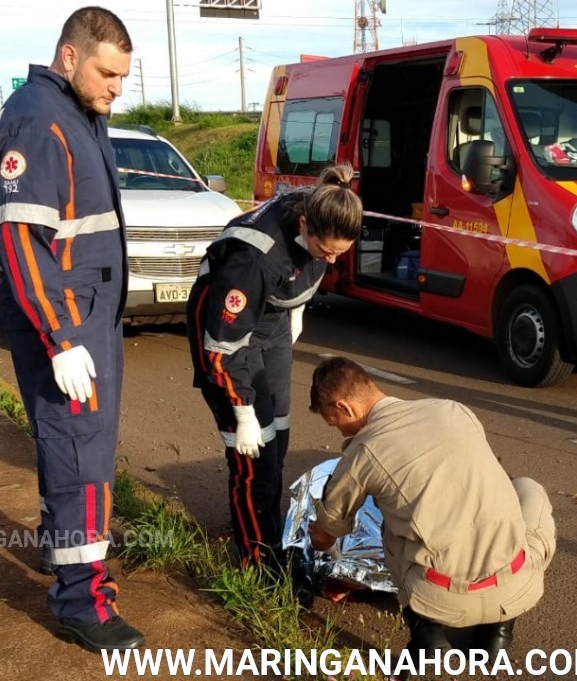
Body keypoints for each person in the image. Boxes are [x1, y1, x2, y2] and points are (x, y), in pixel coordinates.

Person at [0, 7, 143, 651]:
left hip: (86, 316)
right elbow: (20, 240)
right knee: (82, 456)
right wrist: (61, 338)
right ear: (69, 58)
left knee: (75, 450)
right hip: (68, 324)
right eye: (107, 73)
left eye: (124, 77)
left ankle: (65, 550)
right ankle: (83, 601)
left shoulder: (78, 114)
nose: (116, 88)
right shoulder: (39, 121)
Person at [307, 357, 557, 667]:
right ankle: (498, 632)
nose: (340, 431)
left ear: (345, 407)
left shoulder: (362, 452)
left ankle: (427, 634)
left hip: (439, 599)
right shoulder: (452, 409)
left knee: (392, 526)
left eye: (335, 422)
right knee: (528, 489)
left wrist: (320, 545)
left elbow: (324, 534)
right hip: (517, 588)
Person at [187, 165, 362, 570]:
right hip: (229, 333)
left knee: (278, 439)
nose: (333, 260)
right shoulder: (255, 259)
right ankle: (255, 559)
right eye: (326, 251)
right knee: (255, 457)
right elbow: (221, 347)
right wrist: (242, 409)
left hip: (273, 322)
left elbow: (306, 270)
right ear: (304, 225)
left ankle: (270, 527)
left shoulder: (321, 217)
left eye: (341, 251)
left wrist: (295, 310)